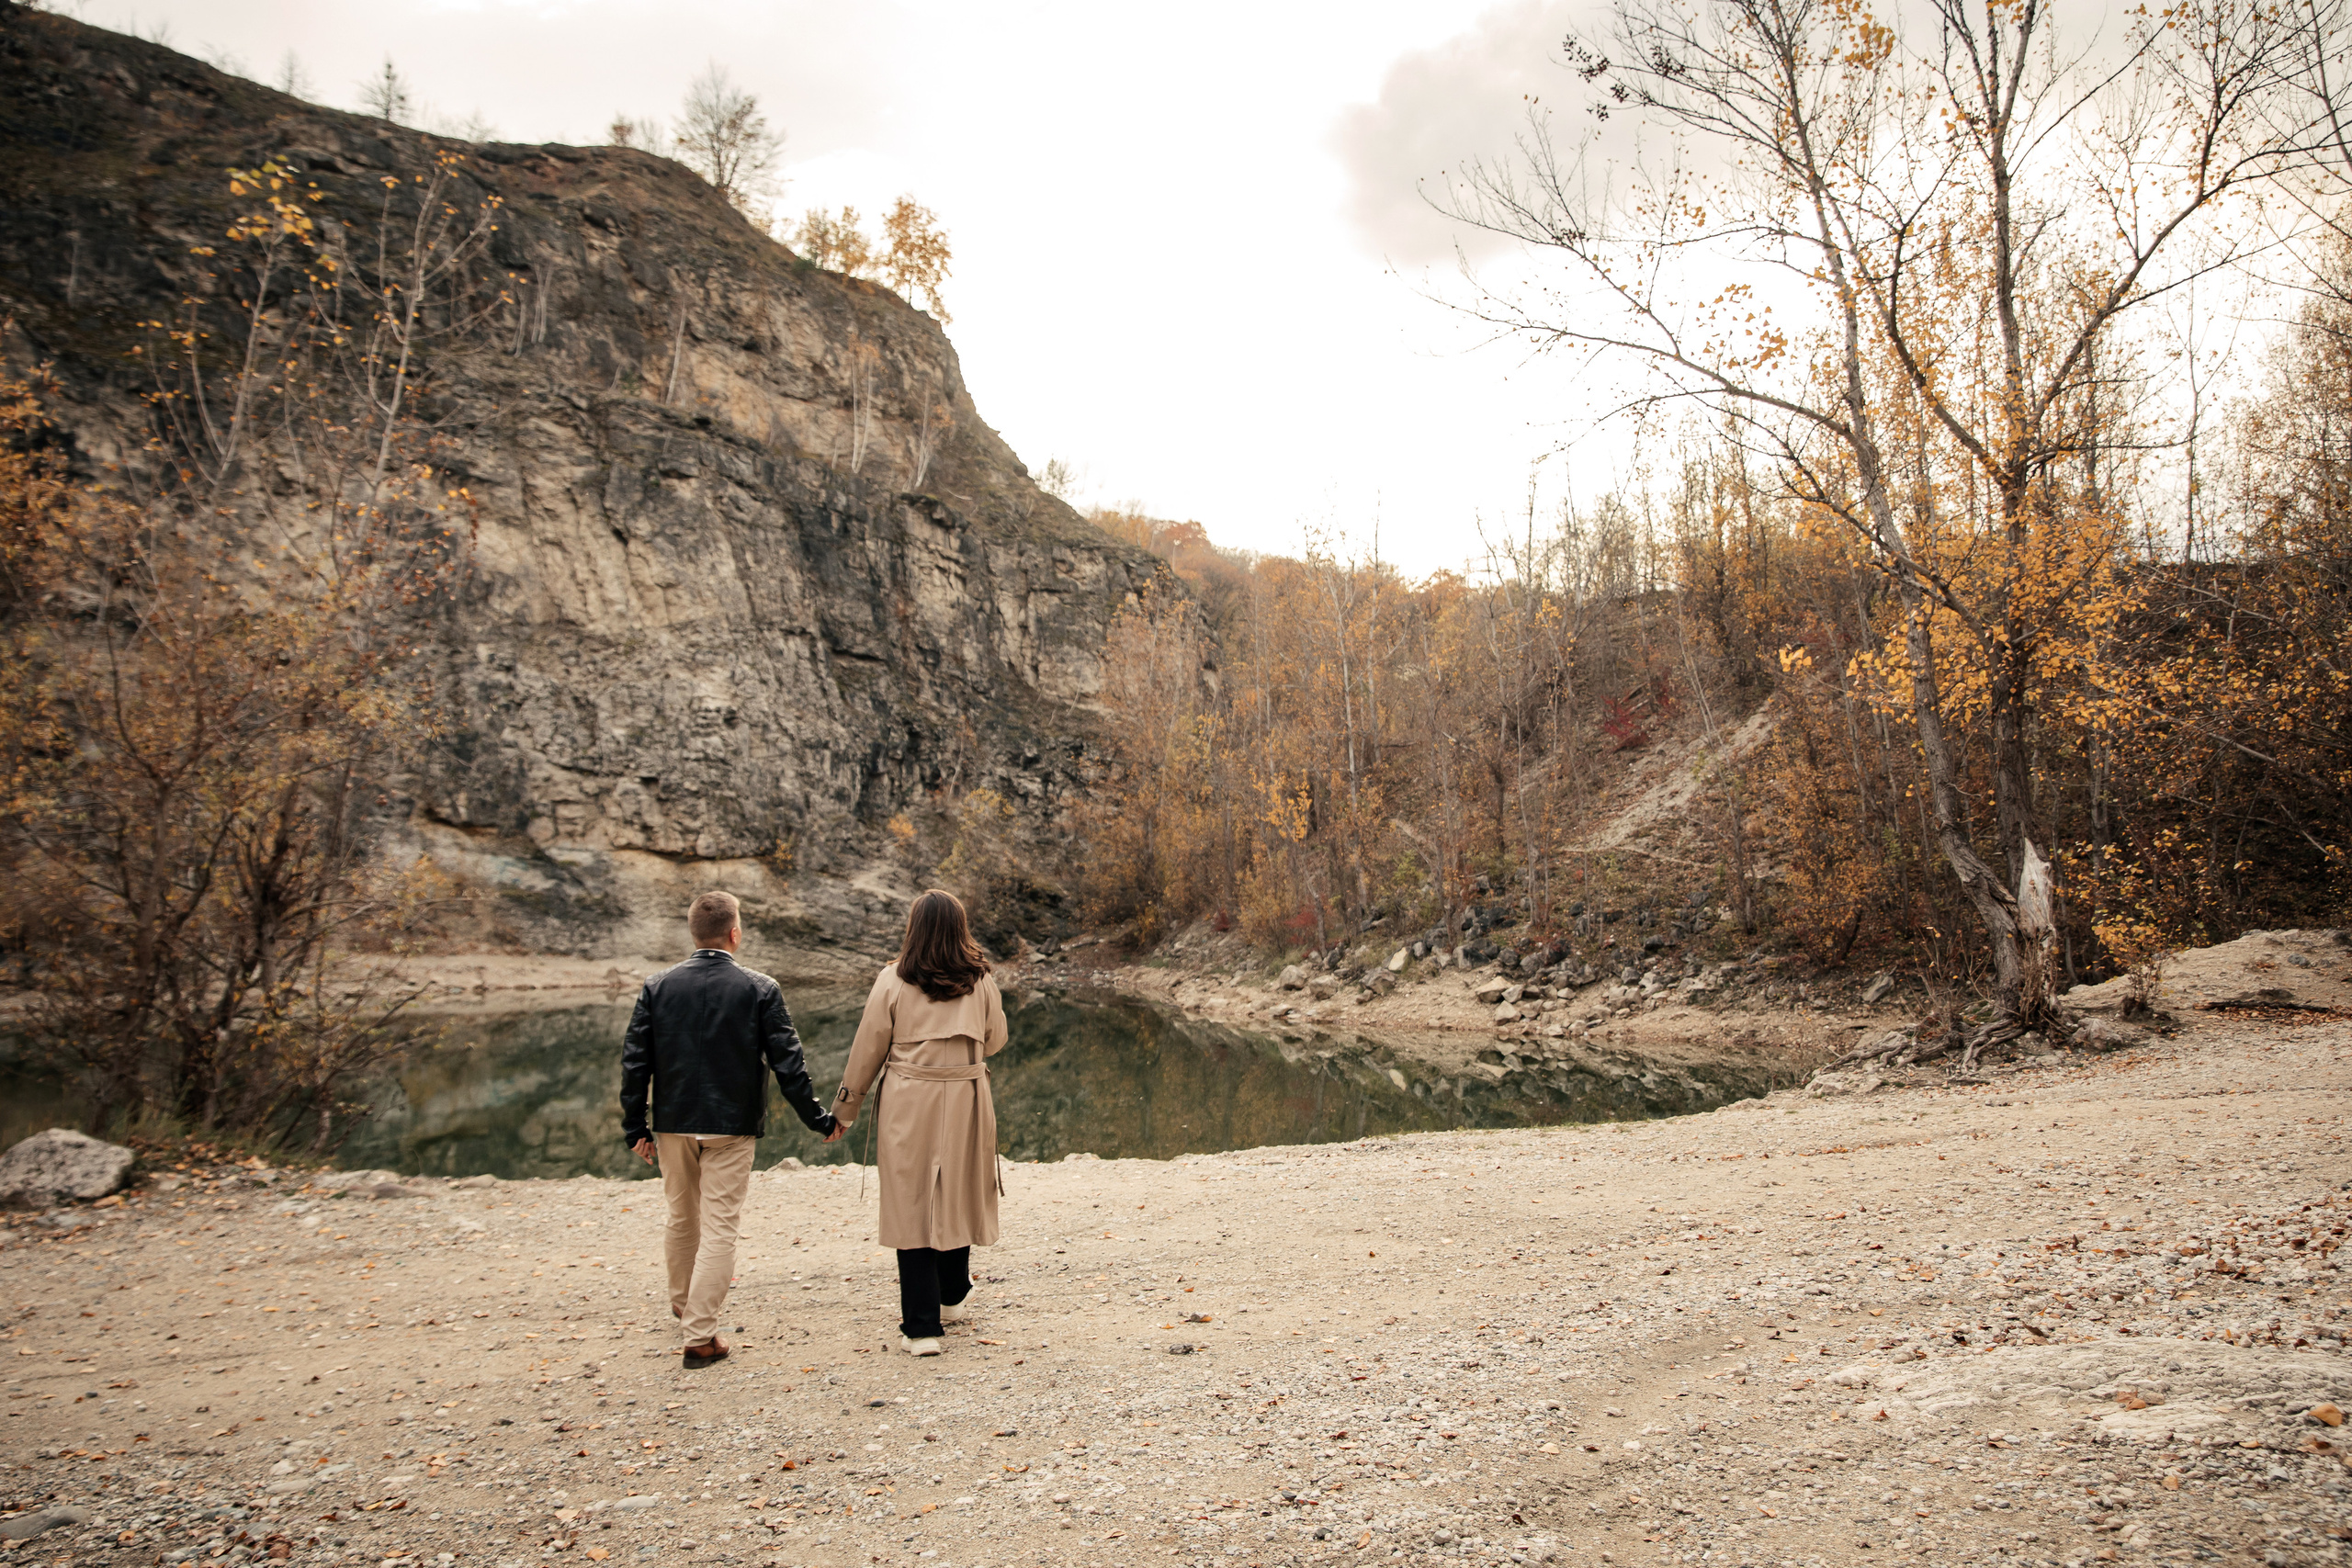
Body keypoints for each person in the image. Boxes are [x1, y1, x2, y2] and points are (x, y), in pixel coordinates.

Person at [620, 890, 838, 1369]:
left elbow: (636, 1062)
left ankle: (684, 1303)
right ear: (735, 934)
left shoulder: (658, 986)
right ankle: (699, 1335)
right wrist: (820, 1120)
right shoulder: (760, 987)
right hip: (731, 1127)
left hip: (673, 1124)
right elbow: (790, 1065)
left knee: (681, 1216)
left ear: (694, 934)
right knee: (719, 1228)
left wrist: (635, 1125)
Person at [830, 889, 1010, 1356]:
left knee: (913, 1200)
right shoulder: (982, 981)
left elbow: (868, 1047)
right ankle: (952, 1297)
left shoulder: (892, 979)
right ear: (960, 928)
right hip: (968, 1096)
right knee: (958, 1189)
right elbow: (995, 1040)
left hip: (910, 1099)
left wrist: (843, 1110)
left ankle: (923, 1328)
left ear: (914, 929)